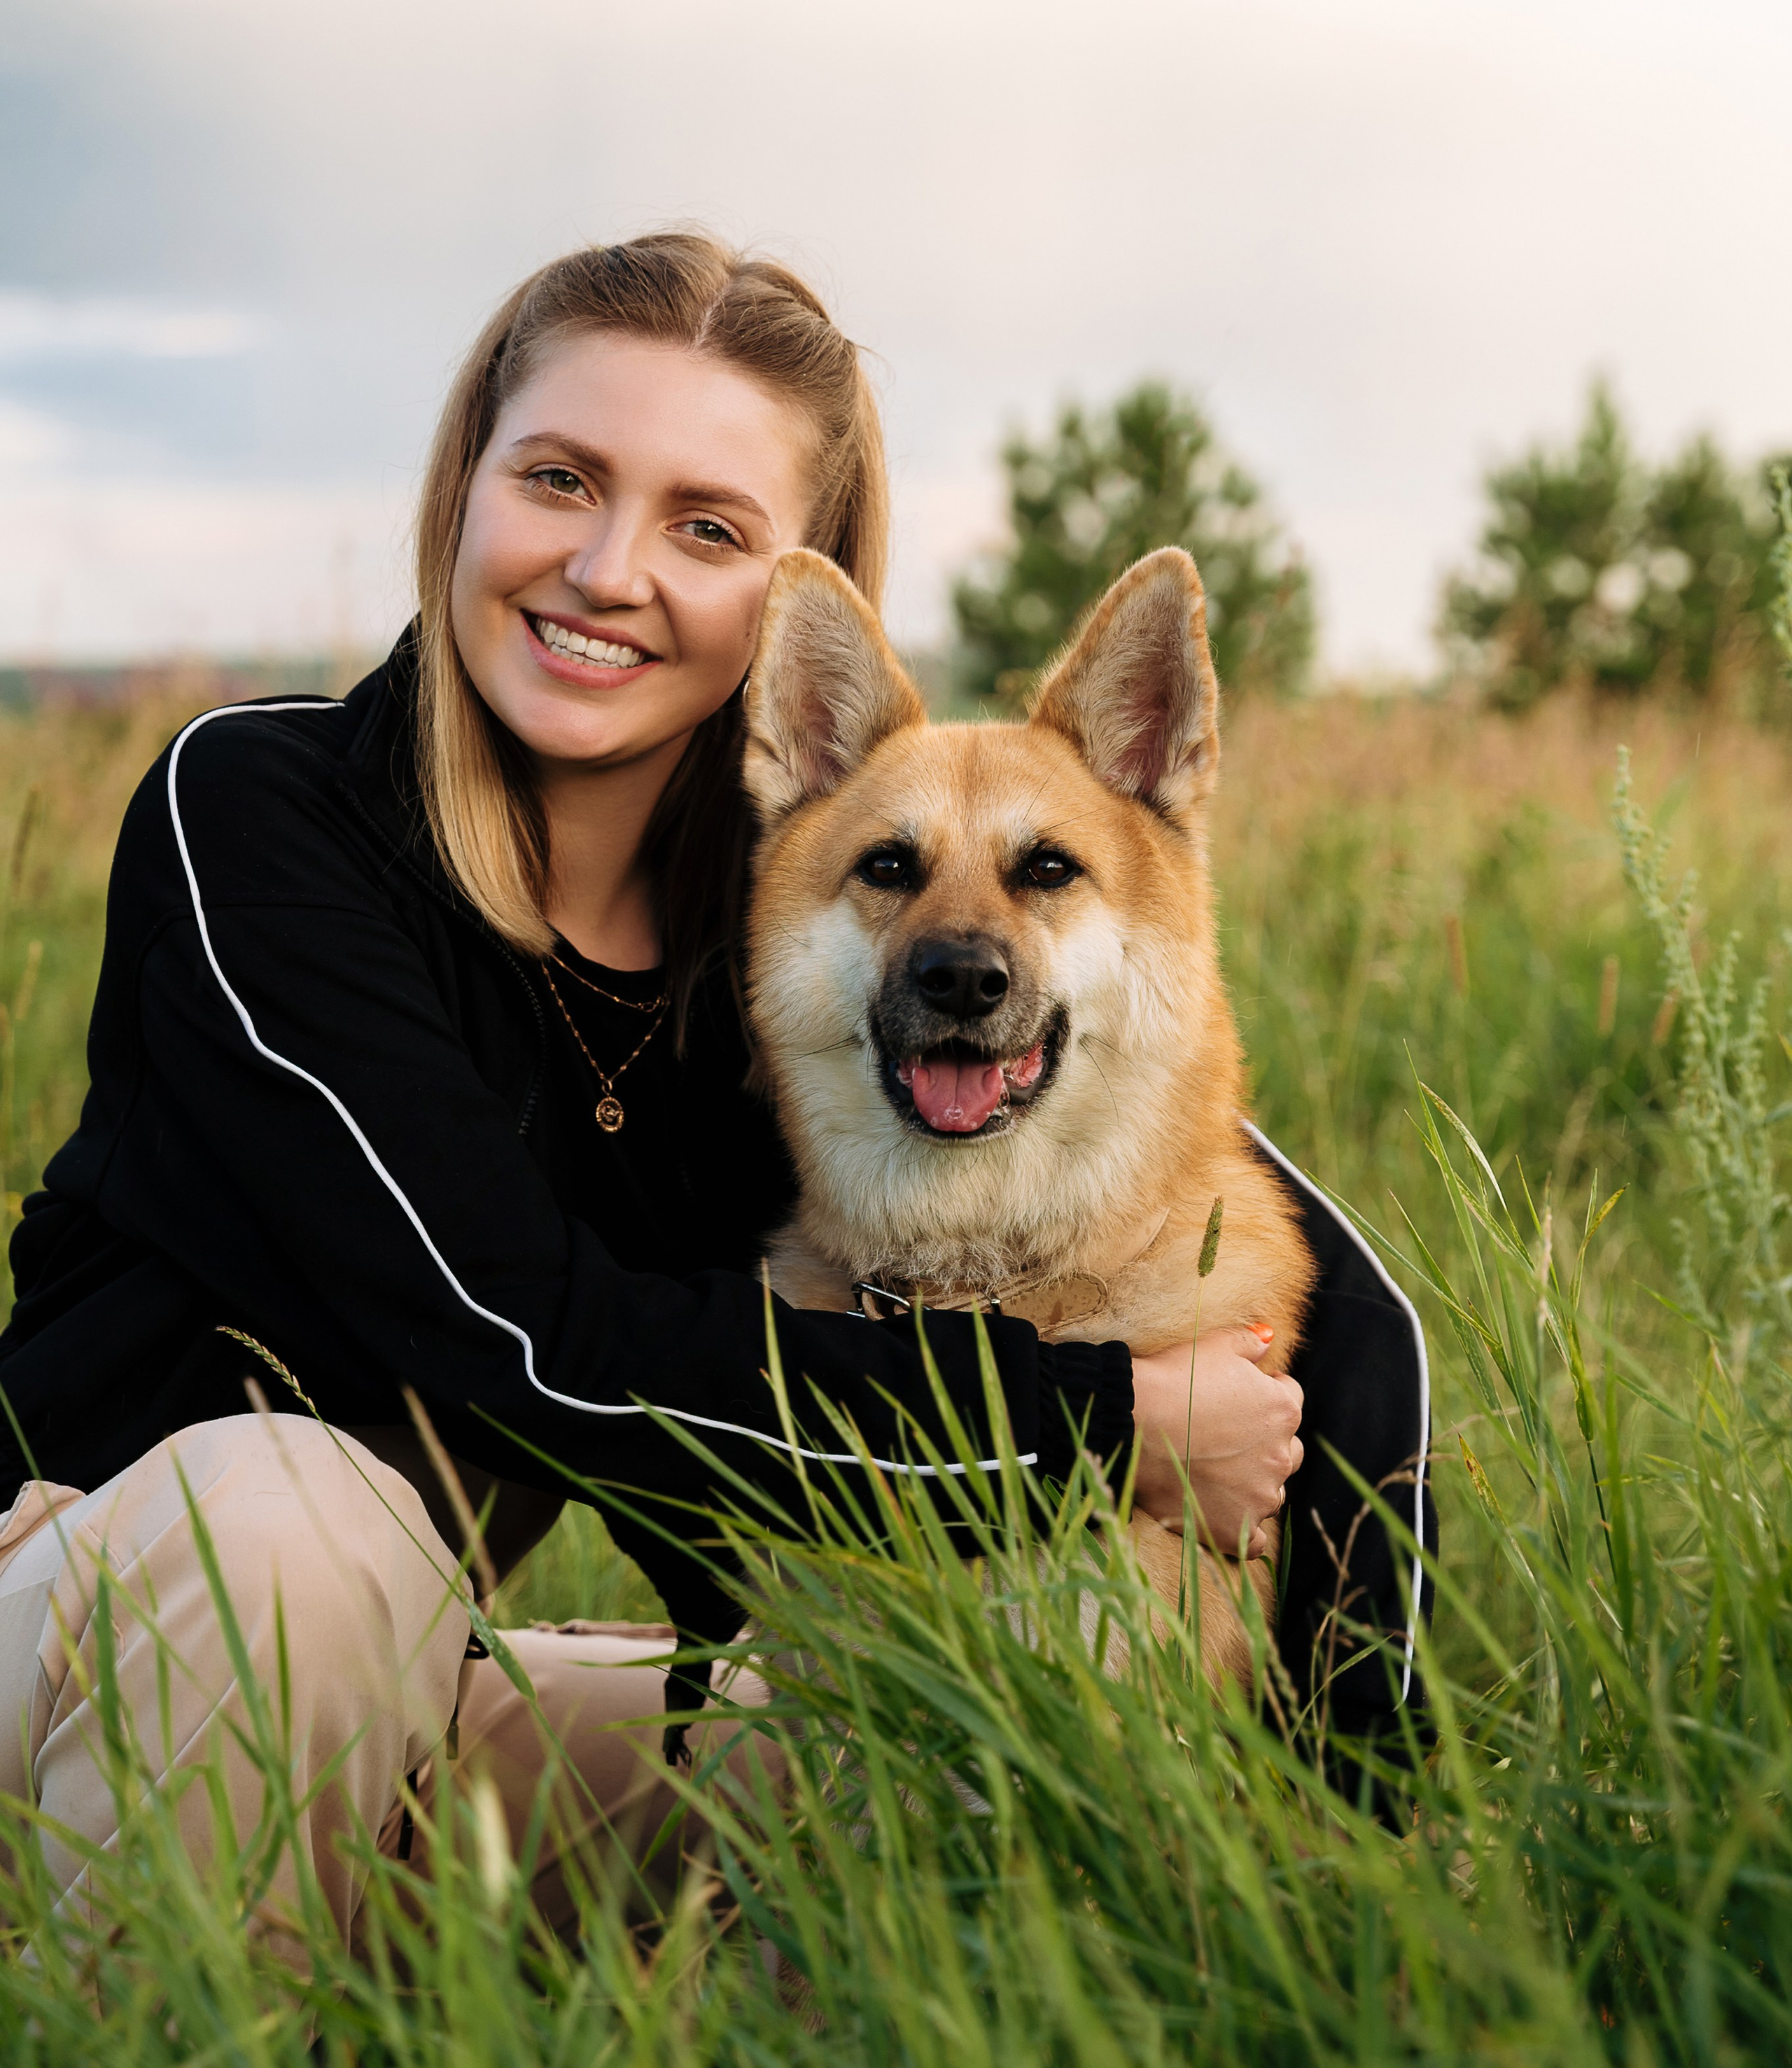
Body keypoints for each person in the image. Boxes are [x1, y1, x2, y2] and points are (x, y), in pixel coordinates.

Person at [0, 235, 1418, 1957]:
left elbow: (1300, 1284)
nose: (607, 569)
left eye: (706, 526)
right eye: (558, 478)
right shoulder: (263, 817)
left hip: (388, 1688)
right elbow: (527, 1339)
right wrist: (1099, 1423)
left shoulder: (786, 950)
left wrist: (1370, 1827)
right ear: (463, 486)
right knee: (302, 1522)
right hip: (83, 1611)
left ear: (784, 599)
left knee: (889, 1745)